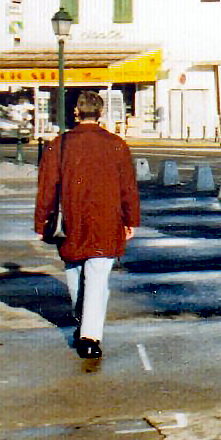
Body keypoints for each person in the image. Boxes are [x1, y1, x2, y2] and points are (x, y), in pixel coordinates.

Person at [34, 92, 140, 360]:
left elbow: (46, 188)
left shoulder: (58, 145)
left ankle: (85, 327)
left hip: (71, 222)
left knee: (75, 273)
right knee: (97, 276)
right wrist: (131, 220)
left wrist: (41, 221)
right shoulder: (116, 145)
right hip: (107, 221)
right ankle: (89, 336)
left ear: (76, 113)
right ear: (101, 113)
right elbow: (128, 187)